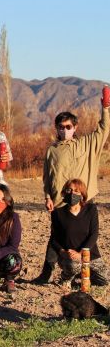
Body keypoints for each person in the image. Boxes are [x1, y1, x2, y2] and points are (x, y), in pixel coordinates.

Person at [35, 97, 110, 284]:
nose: (64, 130)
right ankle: (48, 272)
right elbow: (47, 177)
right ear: (57, 129)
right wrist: (47, 197)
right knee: (57, 237)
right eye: (61, 127)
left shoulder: (86, 143)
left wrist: (106, 108)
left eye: (68, 127)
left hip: (83, 199)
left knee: (86, 234)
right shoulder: (52, 150)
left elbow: (103, 129)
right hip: (60, 202)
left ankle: (89, 271)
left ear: (75, 128)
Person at [50, 179, 107, 287]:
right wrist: (63, 252)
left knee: (105, 280)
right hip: (69, 256)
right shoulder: (57, 213)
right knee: (74, 266)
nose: (72, 194)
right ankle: (66, 278)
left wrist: (81, 253)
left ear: (82, 195)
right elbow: (54, 239)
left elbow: (94, 234)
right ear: (63, 193)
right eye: (69, 190)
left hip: (89, 254)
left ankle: (82, 274)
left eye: (76, 191)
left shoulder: (91, 209)